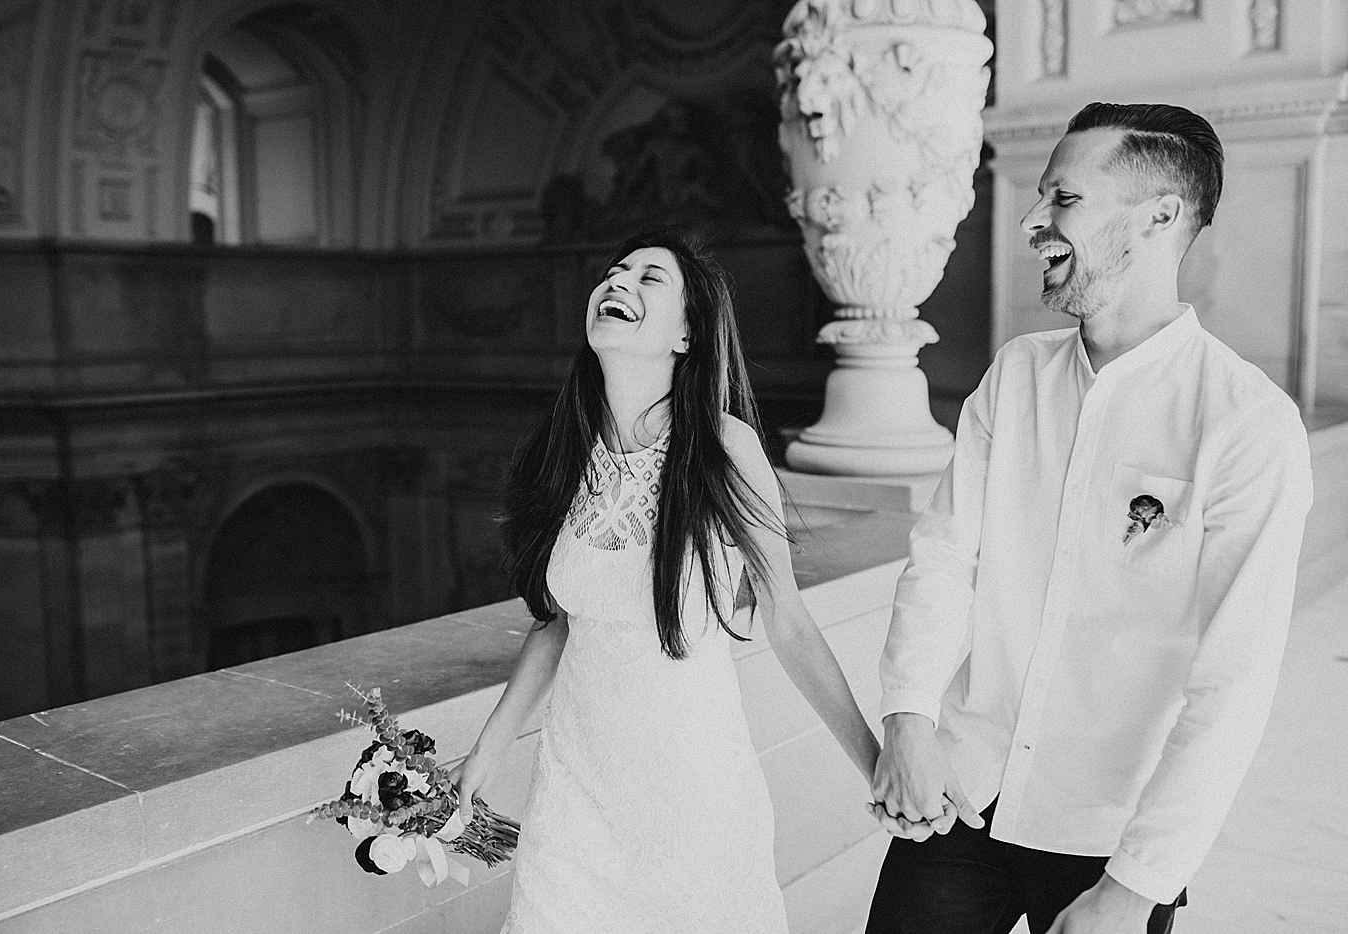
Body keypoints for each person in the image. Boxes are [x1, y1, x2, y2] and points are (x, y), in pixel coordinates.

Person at [866, 102, 1314, 934]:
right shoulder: (1015, 375)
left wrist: (1136, 887)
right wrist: (908, 719)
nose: (1032, 220)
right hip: (964, 787)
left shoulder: (1246, 422)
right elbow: (944, 558)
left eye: (1063, 198)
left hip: (1108, 833)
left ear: (1160, 216)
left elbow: (1234, 680)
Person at [452, 227, 881, 933]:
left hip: (690, 798)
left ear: (686, 334)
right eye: (614, 271)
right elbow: (559, 622)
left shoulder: (723, 446)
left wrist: (876, 765)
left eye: (649, 277)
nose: (618, 282)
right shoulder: (563, 450)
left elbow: (788, 620)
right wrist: (483, 758)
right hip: (573, 798)